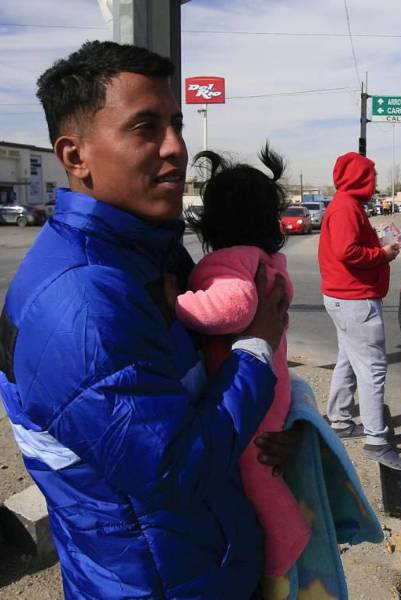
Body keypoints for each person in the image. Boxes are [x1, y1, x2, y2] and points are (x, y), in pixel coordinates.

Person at [0, 41, 290, 599]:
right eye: (145, 127)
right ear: (75, 155)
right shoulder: (83, 304)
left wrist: (274, 427)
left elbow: (194, 391)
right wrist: (257, 352)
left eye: (176, 124)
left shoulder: (146, 252)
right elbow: (173, 470)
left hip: (202, 564)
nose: (176, 148)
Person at [175, 145, 311, 583]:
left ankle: (283, 553)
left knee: (255, 475)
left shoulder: (232, 260)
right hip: (267, 385)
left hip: (253, 390)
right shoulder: (266, 259)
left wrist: (171, 306)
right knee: (260, 471)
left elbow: (229, 309)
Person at [317, 151, 401, 470]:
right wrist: (381, 253)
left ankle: (340, 421)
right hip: (354, 300)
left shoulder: (346, 205)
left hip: (345, 298)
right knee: (372, 369)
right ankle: (377, 441)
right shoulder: (345, 207)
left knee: (348, 361)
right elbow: (347, 251)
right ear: (360, 177)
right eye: (372, 175)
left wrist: (379, 249)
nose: (375, 181)